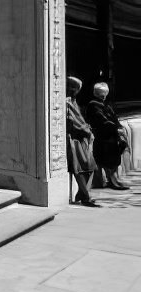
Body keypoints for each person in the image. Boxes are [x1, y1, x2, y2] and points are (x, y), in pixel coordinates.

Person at [86, 82, 131, 190]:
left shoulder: (103, 105)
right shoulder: (94, 105)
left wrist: (118, 127)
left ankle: (108, 180)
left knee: (108, 157)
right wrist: (117, 128)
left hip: (107, 136)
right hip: (103, 137)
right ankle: (111, 180)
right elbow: (104, 121)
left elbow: (112, 119)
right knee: (106, 158)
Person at [66, 76, 100, 207]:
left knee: (91, 166)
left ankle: (81, 193)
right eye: (72, 87)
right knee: (79, 168)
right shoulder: (67, 102)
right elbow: (73, 122)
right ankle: (85, 196)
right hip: (73, 139)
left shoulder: (74, 101)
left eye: (76, 88)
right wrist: (87, 131)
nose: (74, 90)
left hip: (81, 138)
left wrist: (87, 130)